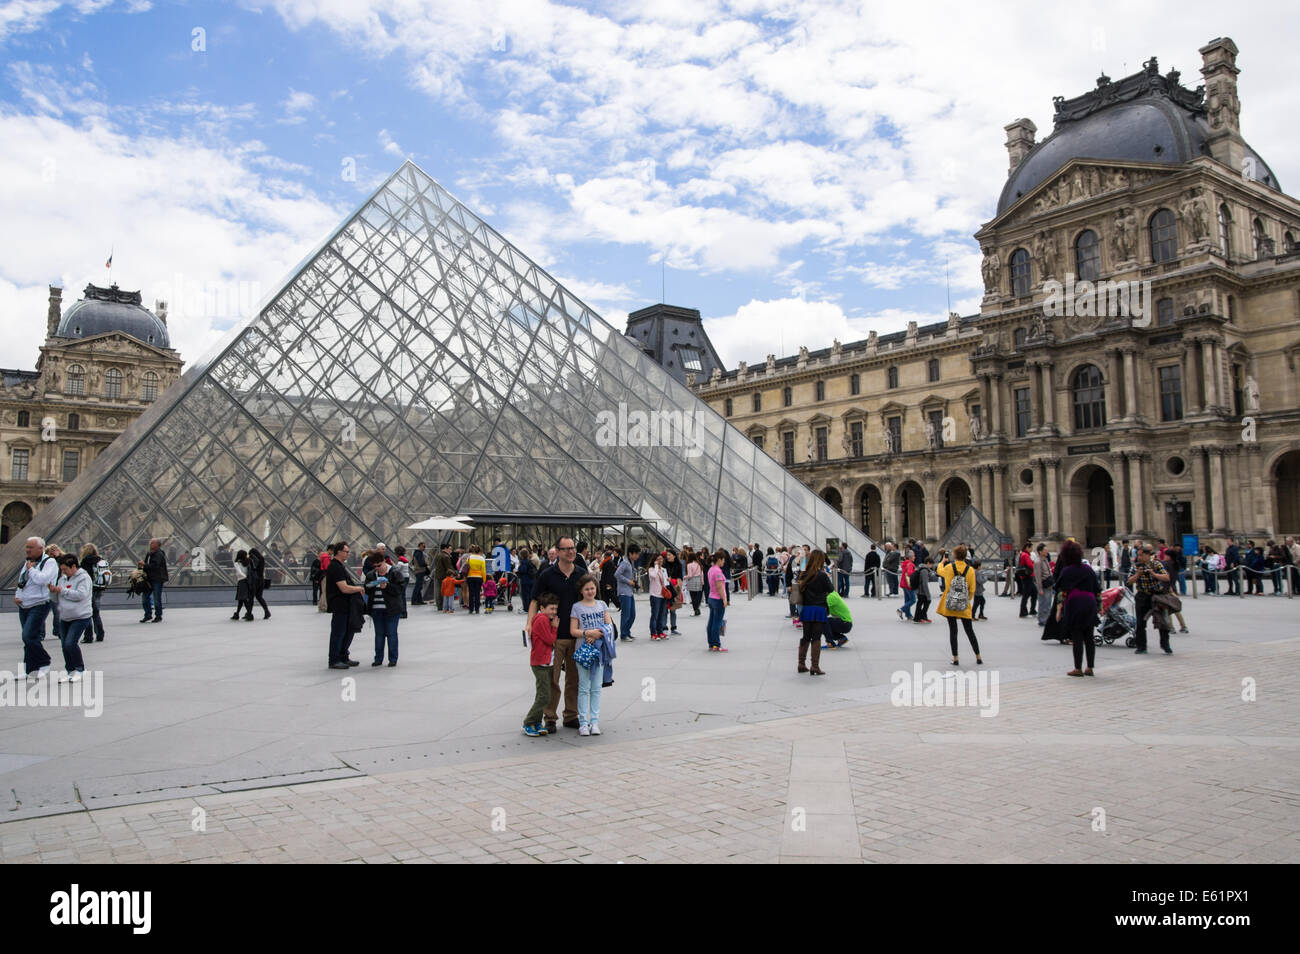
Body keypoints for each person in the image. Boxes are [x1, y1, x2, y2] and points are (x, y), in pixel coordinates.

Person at [529, 537, 587, 734]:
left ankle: (571, 715)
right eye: (566, 549)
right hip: (553, 636)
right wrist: (529, 623)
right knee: (551, 679)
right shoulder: (547, 575)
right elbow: (535, 600)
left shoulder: (581, 573)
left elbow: (590, 598)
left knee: (574, 678)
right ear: (557, 551)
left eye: (572, 548)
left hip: (576, 634)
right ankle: (550, 717)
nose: (571, 552)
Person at [570, 574, 614, 736]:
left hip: (600, 651)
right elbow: (573, 630)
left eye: (592, 588)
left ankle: (594, 721)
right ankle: (583, 722)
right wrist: (587, 633)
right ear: (581, 590)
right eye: (587, 589)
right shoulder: (577, 607)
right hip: (583, 652)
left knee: (596, 688)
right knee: (583, 687)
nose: (590, 591)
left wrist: (597, 633)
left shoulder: (602, 605)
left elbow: (609, 626)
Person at [15, 537, 60, 679]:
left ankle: (44, 661)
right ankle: (30, 670)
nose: (27, 549)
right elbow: (22, 580)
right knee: (29, 638)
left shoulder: (50, 562)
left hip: (40, 604)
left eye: (30, 547)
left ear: (40, 548)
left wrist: (31, 570)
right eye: (27, 547)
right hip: (24, 604)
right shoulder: (28, 562)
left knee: (28, 635)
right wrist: (18, 594)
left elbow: (43, 580)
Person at [1054, 541, 1100, 677]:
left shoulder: (1067, 570)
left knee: (1077, 636)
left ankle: (1078, 668)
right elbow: (1097, 588)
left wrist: (1059, 606)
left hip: (1074, 602)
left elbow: (1058, 587)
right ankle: (1090, 667)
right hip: (1089, 602)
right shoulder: (1088, 569)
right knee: (1089, 637)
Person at [937, 544, 982, 666]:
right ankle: (978, 656)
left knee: (953, 631)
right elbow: (972, 589)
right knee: (970, 631)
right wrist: (966, 601)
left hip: (950, 604)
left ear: (955, 555)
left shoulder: (949, 568)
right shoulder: (971, 570)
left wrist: (942, 561)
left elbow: (938, 570)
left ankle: (956, 658)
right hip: (964, 605)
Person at [50, 554, 92, 682]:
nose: (63, 572)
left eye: (65, 569)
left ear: (73, 566)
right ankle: (70, 670)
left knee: (70, 643)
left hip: (80, 616)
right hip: (65, 617)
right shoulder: (63, 579)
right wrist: (53, 591)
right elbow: (56, 598)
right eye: (61, 569)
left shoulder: (84, 578)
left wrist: (62, 591)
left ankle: (80, 669)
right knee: (64, 645)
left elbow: (81, 595)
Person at [522, 592, 559, 737]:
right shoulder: (542, 620)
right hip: (540, 663)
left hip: (545, 662)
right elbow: (550, 640)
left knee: (543, 694)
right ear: (542, 608)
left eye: (555, 609)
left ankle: (536, 722)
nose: (554, 612)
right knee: (544, 696)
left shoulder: (542, 619)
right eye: (551, 609)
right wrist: (555, 627)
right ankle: (528, 722)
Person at [325, 542, 365, 670]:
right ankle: (334, 659)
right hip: (340, 605)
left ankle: (343, 656)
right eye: (346, 551)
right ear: (339, 552)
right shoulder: (335, 567)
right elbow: (344, 588)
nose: (349, 554)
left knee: (347, 632)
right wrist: (358, 588)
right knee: (339, 633)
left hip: (345, 605)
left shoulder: (339, 566)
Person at [1128, 545, 1172, 655]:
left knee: (1163, 622)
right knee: (1140, 623)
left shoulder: (1156, 564)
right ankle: (1141, 646)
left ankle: (1165, 645)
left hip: (1157, 596)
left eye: (1141, 555)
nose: (1139, 557)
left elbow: (1166, 577)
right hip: (1142, 596)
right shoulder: (1135, 567)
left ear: (1148, 555)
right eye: (1138, 555)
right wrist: (1138, 574)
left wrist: (1154, 574)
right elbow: (1129, 582)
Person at [796, 549, 832, 674]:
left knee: (806, 636)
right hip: (819, 608)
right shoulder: (822, 575)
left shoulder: (804, 573)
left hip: (807, 608)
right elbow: (831, 589)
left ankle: (801, 664)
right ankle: (815, 666)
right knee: (816, 637)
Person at [365, 554, 403, 667]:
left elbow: (400, 589)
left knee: (391, 634)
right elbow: (366, 588)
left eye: (379, 565)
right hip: (376, 610)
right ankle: (378, 659)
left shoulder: (395, 572)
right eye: (375, 566)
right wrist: (372, 585)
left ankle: (393, 659)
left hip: (392, 609)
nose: (377, 568)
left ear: (384, 561)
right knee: (379, 635)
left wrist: (387, 586)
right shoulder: (371, 574)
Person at [79, 543, 109, 643]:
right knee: (96, 613)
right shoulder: (100, 559)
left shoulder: (85, 561)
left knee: (87, 612)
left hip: (90, 588)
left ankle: (88, 636)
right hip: (99, 587)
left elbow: (83, 575)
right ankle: (100, 634)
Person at [705, 549, 729, 653]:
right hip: (718, 599)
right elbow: (720, 587)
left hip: (711, 597)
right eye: (723, 560)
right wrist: (724, 599)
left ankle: (711, 643)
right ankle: (716, 644)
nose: (724, 562)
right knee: (717, 623)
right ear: (719, 559)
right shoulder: (718, 571)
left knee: (711, 622)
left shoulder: (711, 569)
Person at [140, 537, 168, 623]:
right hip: (149, 579)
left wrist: (144, 565)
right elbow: (147, 566)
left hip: (157, 579)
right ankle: (148, 615)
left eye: (152, 543)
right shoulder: (149, 554)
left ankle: (158, 616)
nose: (150, 544)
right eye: (150, 543)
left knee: (156, 598)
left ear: (157, 545)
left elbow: (155, 567)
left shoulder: (159, 554)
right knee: (145, 598)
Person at [615, 544, 640, 640]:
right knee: (626, 614)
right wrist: (628, 581)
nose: (637, 556)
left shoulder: (630, 562)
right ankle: (624, 634)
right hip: (623, 592)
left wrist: (633, 582)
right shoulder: (625, 562)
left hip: (629, 592)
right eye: (636, 554)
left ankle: (627, 631)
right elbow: (617, 574)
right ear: (630, 554)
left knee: (632, 614)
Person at [646, 552, 668, 641]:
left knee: (661, 614)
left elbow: (666, 582)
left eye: (661, 559)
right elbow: (654, 576)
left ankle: (660, 631)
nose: (660, 561)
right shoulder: (651, 569)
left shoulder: (663, 569)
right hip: (655, 595)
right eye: (658, 559)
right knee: (654, 614)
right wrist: (655, 566)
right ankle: (653, 633)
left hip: (663, 595)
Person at [248, 547, 272, 620]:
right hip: (261, 580)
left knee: (251, 597)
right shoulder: (262, 559)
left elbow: (253, 568)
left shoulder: (255, 560)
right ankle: (266, 611)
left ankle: (249, 613)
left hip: (255, 580)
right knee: (259, 596)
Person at [1034, 543, 1054, 627]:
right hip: (1043, 585)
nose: (1047, 551)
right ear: (1040, 551)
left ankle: (1046, 618)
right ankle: (1042, 620)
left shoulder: (1045, 559)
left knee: (1048, 603)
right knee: (1043, 603)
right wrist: (1040, 589)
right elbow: (1038, 576)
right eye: (1045, 550)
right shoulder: (1038, 561)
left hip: (1048, 584)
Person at [232, 550, 255, 620]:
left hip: (242, 581)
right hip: (248, 582)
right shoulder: (248, 562)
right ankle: (237, 614)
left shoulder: (237, 563)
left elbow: (239, 572)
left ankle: (249, 614)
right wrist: (247, 577)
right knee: (241, 599)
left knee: (243, 599)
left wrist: (244, 576)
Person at [1016, 543, 1036, 617]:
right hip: (1027, 577)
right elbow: (1030, 565)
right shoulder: (1026, 555)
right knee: (1026, 595)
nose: (1031, 550)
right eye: (1031, 548)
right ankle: (1023, 611)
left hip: (1026, 576)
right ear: (1027, 547)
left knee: (1034, 592)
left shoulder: (1023, 554)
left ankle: (1032, 610)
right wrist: (1034, 563)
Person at [912, 557, 933, 623]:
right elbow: (924, 583)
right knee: (926, 602)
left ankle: (922, 617)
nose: (931, 566)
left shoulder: (921, 568)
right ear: (928, 563)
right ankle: (918, 618)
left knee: (921, 603)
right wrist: (928, 594)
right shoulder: (924, 571)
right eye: (931, 564)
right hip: (921, 591)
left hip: (919, 590)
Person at [684, 550, 704, 616]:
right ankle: (697, 609)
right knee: (697, 596)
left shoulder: (689, 565)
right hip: (698, 580)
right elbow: (702, 574)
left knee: (693, 597)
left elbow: (690, 575)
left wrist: (684, 577)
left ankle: (696, 610)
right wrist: (702, 581)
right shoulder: (699, 564)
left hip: (692, 580)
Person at [898, 551, 917, 621]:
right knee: (913, 600)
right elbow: (910, 573)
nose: (915, 557)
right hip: (908, 584)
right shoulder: (911, 564)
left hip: (903, 583)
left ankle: (908, 615)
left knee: (907, 600)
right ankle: (901, 609)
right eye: (914, 556)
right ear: (911, 557)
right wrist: (915, 572)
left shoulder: (905, 563)